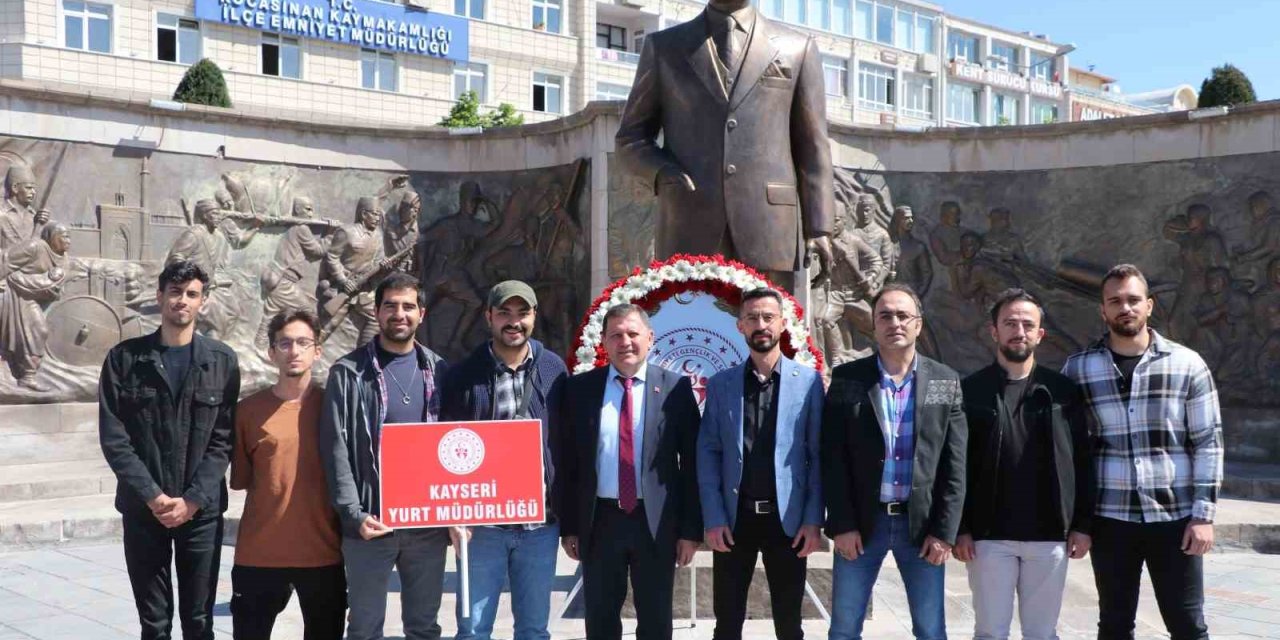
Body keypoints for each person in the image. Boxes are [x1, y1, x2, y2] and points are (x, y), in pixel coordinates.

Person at [614, 0, 834, 292]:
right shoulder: (665, 47)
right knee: (693, 332)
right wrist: (662, 171)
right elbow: (630, 138)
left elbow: (813, 145)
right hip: (688, 220)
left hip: (769, 226)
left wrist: (818, 227)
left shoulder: (798, 47)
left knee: (766, 330)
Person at [1062, 264, 1223, 640]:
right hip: (1110, 519)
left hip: (1175, 519)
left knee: (1187, 625)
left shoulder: (1187, 365)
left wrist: (1204, 515)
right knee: (1115, 625)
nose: (1125, 308)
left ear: (1149, 305)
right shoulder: (1079, 369)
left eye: (1134, 300)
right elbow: (1071, 450)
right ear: (1103, 310)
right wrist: (1078, 522)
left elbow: (1207, 442)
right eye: (1115, 301)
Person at [98, 260, 240, 640]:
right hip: (144, 511)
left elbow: (223, 439)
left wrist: (191, 500)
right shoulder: (124, 360)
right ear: (160, 296)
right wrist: (153, 496)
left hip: (201, 513)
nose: (182, 301)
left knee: (199, 622)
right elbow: (115, 438)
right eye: (175, 292)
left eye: (191, 294)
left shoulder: (222, 362)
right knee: (154, 624)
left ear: (203, 302)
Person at [821, 283, 967, 640]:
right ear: (873, 324)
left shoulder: (943, 381)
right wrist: (841, 524)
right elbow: (833, 456)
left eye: (903, 315)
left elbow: (954, 465)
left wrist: (944, 532)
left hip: (921, 529)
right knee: (843, 628)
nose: (894, 322)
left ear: (918, 324)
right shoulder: (849, 379)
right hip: (861, 525)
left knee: (931, 630)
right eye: (885, 315)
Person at [953, 288, 1095, 640]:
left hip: (1049, 537)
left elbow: (1082, 459)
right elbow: (954, 464)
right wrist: (960, 527)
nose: (1019, 331)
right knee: (989, 632)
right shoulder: (969, 390)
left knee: (1042, 633)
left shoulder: (1063, 391)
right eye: (1010, 323)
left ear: (1039, 334)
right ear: (994, 331)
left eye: (1027, 324)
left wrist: (1082, 524)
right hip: (988, 539)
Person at [318, 272, 451, 640]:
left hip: (427, 528)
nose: (399, 313)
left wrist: (456, 512)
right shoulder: (347, 374)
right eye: (390, 305)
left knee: (424, 628)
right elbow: (335, 449)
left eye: (408, 306)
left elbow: (454, 445)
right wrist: (352, 513)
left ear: (421, 313)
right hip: (370, 525)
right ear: (377, 312)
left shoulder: (440, 371)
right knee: (363, 628)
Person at [559, 304, 702, 640]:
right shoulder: (580, 390)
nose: (625, 342)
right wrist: (570, 526)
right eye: (616, 335)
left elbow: (693, 465)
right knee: (600, 617)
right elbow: (568, 464)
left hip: (655, 523)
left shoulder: (676, 389)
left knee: (655, 620)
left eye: (633, 333)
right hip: (600, 522)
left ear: (650, 338)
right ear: (604, 343)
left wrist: (690, 531)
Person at [439, 280, 568, 640]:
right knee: (474, 628)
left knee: (533, 629)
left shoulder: (553, 369)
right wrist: (453, 514)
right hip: (483, 529)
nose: (514, 322)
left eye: (522, 313)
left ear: (534, 317)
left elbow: (565, 442)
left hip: (539, 527)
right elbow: (447, 446)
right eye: (504, 314)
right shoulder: (464, 375)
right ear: (488, 317)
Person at [697, 288, 824, 640]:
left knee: (789, 624)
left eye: (768, 317)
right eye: (752, 318)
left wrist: (813, 520)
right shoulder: (722, 384)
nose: (761, 324)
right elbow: (708, 454)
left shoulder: (808, 383)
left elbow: (817, 456)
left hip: (789, 523)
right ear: (740, 326)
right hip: (735, 521)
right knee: (727, 623)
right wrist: (714, 517)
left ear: (782, 324)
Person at [230, 309, 345, 640]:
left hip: (323, 554)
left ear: (317, 351)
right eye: (284, 343)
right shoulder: (247, 412)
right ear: (271, 352)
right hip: (260, 554)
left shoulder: (335, 407)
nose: (294, 351)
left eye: (303, 343)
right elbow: (242, 480)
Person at [0, 222, 70, 391]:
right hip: (11, 291)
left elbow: (54, 288)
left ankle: (27, 377)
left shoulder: (64, 259)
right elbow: (6, 260)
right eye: (64, 236)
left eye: (69, 236)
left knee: (39, 330)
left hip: (29, 295)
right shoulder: (34, 247)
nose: (68, 240)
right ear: (52, 237)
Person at [254, 197, 330, 347]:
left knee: (271, 314)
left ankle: (259, 345)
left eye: (312, 209)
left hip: (278, 279)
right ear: (297, 210)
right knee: (308, 311)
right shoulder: (301, 228)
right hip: (284, 281)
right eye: (307, 209)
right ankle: (310, 345)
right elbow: (318, 251)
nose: (311, 213)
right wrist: (331, 233)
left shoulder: (293, 229)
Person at [318, 196, 386, 346]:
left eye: (379, 215)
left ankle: (363, 356)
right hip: (342, 287)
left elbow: (378, 261)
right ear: (363, 214)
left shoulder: (378, 236)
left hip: (362, 289)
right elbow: (332, 257)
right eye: (374, 214)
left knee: (375, 319)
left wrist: (384, 265)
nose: (377, 218)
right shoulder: (346, 232)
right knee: (327, 327)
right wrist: (343, 280)